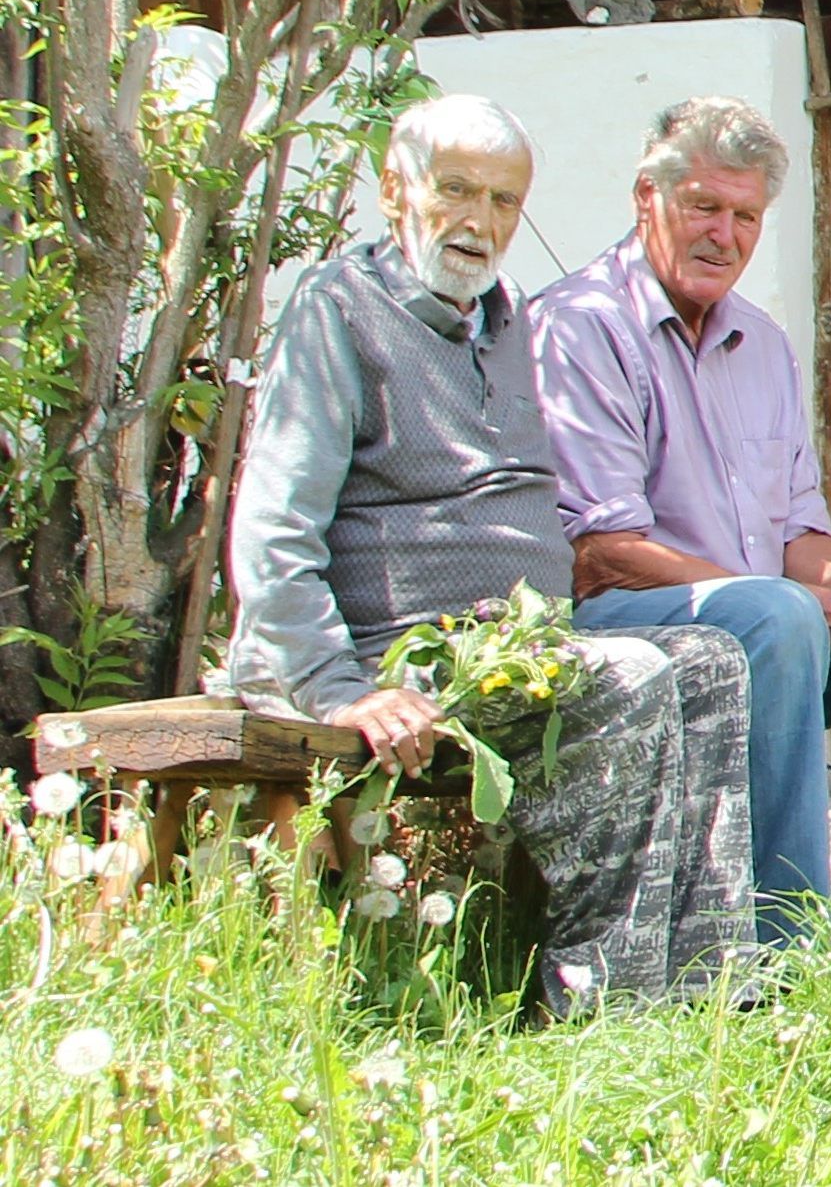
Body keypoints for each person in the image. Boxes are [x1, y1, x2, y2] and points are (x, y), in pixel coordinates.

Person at [224, 94, 758, 1010]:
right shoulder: (339, 309)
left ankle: (710, 986)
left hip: (511, 649)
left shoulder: (506, 318)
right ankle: (600, 998)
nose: (480, 222)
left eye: (504, 201)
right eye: (456, 191)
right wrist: (340, 687)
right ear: (395, 190)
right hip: (397, 655)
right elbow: (272, 528)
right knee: (628, 677)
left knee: (711, 662)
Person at [530, 96, 831, 938]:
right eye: (703, 207)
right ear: (645, 199)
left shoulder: (761, 342)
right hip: (637, 635)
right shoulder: (578, 326)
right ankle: (781, 942)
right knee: (781, 612)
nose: (723, 234)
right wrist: (806, 604)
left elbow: (798, 534)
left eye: (745, 216)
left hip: (774, 627)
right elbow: (605, 551)